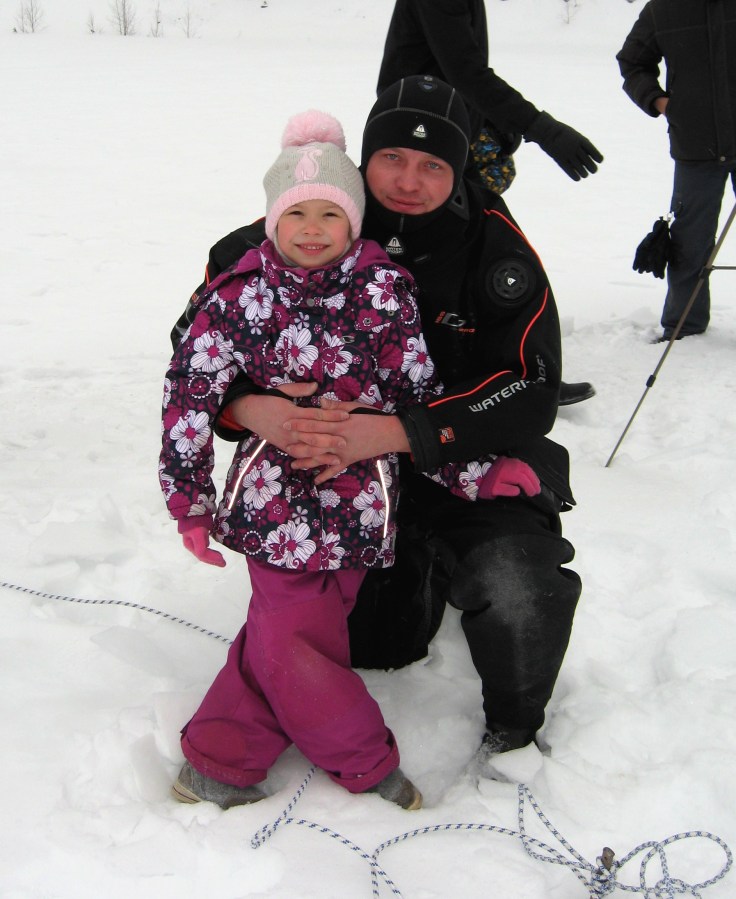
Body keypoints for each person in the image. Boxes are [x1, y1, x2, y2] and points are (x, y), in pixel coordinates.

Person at [174, 76, 583, 770]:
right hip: (335, 482)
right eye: (392, 158)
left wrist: (400, 433)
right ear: (362, 158)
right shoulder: (290, 233)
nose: (409, 182)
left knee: (517, 584)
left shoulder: (494, 248)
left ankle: (514, 736)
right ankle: (411, 584)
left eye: (433, 165)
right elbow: (193, 353)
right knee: (376, 645)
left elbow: (530, 387)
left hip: (463, 458)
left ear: (460, 171)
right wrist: (248, 406)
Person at [376, 0, 602, 405]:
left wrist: (493, 123)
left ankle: (514, 367)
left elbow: (461, 69)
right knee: (450, 251)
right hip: (420, 137)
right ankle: (430, 370)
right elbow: (464, 69)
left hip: (450, 132)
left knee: (474, 247)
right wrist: (540, 127)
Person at [617, 0, 736, 341]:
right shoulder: (664, 8)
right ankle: (684, 326)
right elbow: (632, 61)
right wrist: (662, 102)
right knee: (689, 242)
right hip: (696, 145)